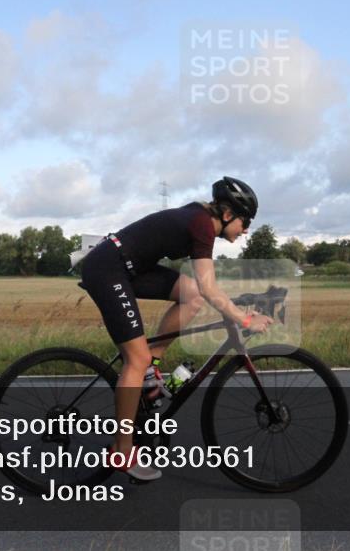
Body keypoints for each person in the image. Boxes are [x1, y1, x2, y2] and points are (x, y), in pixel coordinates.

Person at [79, 176, 274, 481]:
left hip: (129, 267)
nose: (247, 229)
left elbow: (204, 289)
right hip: (108, 268)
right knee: (135, 358)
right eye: (245, 221)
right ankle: (123, 449)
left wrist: (236, 308)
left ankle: (150, 368)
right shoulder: (201, 225)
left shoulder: (200, 220)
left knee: (191, 295)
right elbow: (212, 288)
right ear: (226, 215)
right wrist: (244, 319)